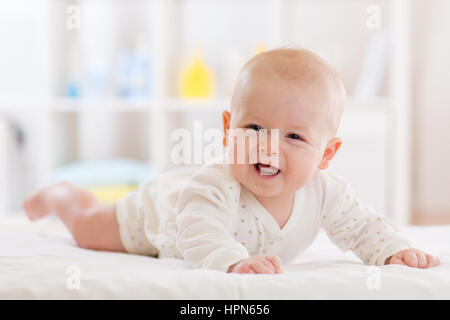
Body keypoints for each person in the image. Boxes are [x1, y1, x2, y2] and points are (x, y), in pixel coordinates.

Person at [23, 47, 440, 274]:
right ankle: (61, 196)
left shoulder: (325, 193)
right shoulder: (216, 184)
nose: (268, 147)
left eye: (294, 137)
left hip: (189, 216)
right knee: (87, 228)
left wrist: (393, 250)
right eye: (255, 128)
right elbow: (199, 230)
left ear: (326, 154)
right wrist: (233, 261)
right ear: (228, 129)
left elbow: (362, 227)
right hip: (158, 215)